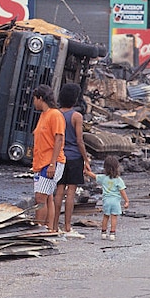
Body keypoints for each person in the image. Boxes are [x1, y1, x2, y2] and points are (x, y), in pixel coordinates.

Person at [53, 83, 91, 239]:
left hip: (60, 156)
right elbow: (79, 140)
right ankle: (68, 227)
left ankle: (54, 226)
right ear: (75, 99)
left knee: (59, 191)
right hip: (74, 157)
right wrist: (86, 158)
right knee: (70, 193)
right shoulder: (77, 116)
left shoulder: (56, 114)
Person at [31, 84, 66, 232]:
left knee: (40, 199)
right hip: (41, 162)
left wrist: (52, 164)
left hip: (51, 162)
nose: (33, 102)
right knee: (47, 197)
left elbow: (58, 138)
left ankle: (39, 229)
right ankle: (49, 228)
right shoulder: (43, 115)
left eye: (34, 99)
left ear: (40, 98)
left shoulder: (55, 115)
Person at [84, 155, 129, 241]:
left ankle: (103, 233)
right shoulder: (118, 180)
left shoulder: (103, 178)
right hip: (115, 201)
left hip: (106, 200)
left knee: (106, 216)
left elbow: (93, 176)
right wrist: (126, 201)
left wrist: (86, 171)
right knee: (114, 217)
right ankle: (112, 233)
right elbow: (122, 191)